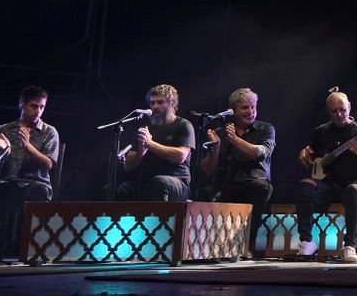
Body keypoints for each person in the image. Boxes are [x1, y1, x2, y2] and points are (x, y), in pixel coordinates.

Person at [294, 88, 357, 263]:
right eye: (334, 111)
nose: (339, 114)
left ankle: (350, 246)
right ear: (328, 111)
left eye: (342, 109)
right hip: (328, 184)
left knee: (352, 191)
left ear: (349, 107)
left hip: (354, 183)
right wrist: (306, 152)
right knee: (305, 186)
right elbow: (310, 150)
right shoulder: (321, 131)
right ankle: (307, 242)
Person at [0, 86, 60, 260]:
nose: (38, 111)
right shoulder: (4, 130)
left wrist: (28, 146)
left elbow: (48, 164)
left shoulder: (49, 132)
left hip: (34, 183)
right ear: (22, 105)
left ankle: (29, 251)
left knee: (37, 193)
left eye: (42, 107)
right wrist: (3, 152)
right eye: (33, 106)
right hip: (5, 182)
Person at [199, 87, 275, 258]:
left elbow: (259, 153)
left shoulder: (265, 129)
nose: (250, 111)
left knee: (261, 188)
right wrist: (216, 147)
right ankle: (209, 247)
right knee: (206, 192)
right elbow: (208, 169)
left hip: (254, 182)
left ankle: (247, 246)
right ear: (233, 110)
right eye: (245, 108)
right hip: (227, 183)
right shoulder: (220, 132)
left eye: (253, 107)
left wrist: (235, 140)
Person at [116, 83, 195, 201]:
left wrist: (150, 144)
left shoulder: (183, 125)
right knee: (120, 189)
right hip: (148, 181)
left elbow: (180, 156)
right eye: (152, 103)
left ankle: (160, 220)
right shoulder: (146, 128)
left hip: (177, 181)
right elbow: (128, 165)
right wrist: (141, 153)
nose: (155, 107)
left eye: (160, 102)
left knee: (159, 183)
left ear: (172, 104)